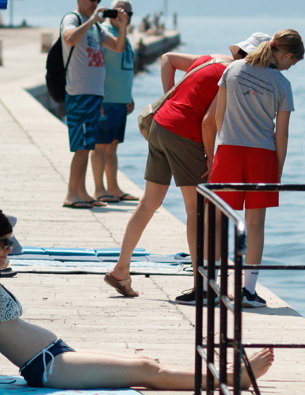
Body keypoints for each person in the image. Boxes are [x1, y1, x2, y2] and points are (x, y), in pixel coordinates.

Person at [0, 203, 274, 390]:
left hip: (54, 355)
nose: (10, 249)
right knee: (146, 370)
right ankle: (232, 378)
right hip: (48, 367)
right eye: (3, 243)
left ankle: (224, 375)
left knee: (148, 365)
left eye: (10, 242)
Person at [102, 33, 270, 302]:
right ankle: (201, 286)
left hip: (161, 125)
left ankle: (121, 269)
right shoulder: (234, 75)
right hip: (184, 134)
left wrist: (167, 99)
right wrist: (210, 158)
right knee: (197, 211)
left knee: (149, 202)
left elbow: (167, 59)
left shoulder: (209, 59)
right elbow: (207, 122)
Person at [208, 29, 305, 308]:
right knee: (255, 224)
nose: (290, 67)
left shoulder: (233, 69)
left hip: (228, 149)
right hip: (262, 155)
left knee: (218, 220)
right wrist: (279, 170)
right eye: (292, 62)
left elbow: (218, 116)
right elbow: (282, 135)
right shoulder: (283, 84)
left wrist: (218, 150)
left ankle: (212, 284)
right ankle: (248, 290)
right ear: (285, 55)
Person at [60, 0, 127, 209]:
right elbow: (69, 38)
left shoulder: (98, 29)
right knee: (80, 145)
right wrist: (91, 20)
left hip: (95, 93)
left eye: (98, 0)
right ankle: (71, 193)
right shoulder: (73, 19)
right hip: (79, 91)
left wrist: (123, 26)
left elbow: (118, 47)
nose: (95, 4)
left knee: (88, 145)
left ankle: (82, 191)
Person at [91, 0, 138, 205]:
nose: (123, 15)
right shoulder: (104, 32)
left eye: (128, 13)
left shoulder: (124, 35)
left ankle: (113, 188)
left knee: (113, 146)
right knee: (100, 146)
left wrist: (129, 95)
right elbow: (98, 65)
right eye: (119, 11)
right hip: (106, 98)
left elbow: (125, 67)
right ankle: (99, 189)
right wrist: (98, 96)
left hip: (120, 99)